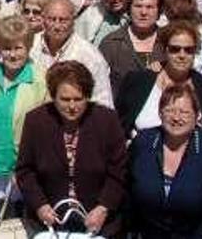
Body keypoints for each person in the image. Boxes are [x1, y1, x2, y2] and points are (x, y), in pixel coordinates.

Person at [15, 60, 126, 236]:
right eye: (65, 99)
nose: (72, 106)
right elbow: (25, 171)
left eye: (78, 99)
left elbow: (119, 171)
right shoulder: (36, 121)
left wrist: (103, 208)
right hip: (50, 221)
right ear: (53, 96)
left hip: (97, 221)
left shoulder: (107, 121)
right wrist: (40, 205)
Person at [128, 84, 202, 238]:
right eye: (169, 110)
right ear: (160, 113)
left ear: (197, 115)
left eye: (184, 112)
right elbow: (127, 186)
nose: (176, 118)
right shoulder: (144, 142)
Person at [0, 16, 48, 222]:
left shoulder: (41, 79)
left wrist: (28, 164)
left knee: (24, 224)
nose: (12, 54)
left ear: (29, 47)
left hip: (24, 168)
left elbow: (47, 129)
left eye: (18, 48)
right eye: (6, 48)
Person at [117, 21, 202, 135]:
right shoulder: (138, 81)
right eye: (175, 49)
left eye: (188, 50)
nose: (182, 55)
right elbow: (118, 125)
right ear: (164, 49)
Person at [28, 0, 114, 108]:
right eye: (52, 19)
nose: (57, 26)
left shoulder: (89, 56)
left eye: (63, 20)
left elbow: (102, 102)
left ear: (74, 21)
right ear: (43, 19)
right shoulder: (30, 46)